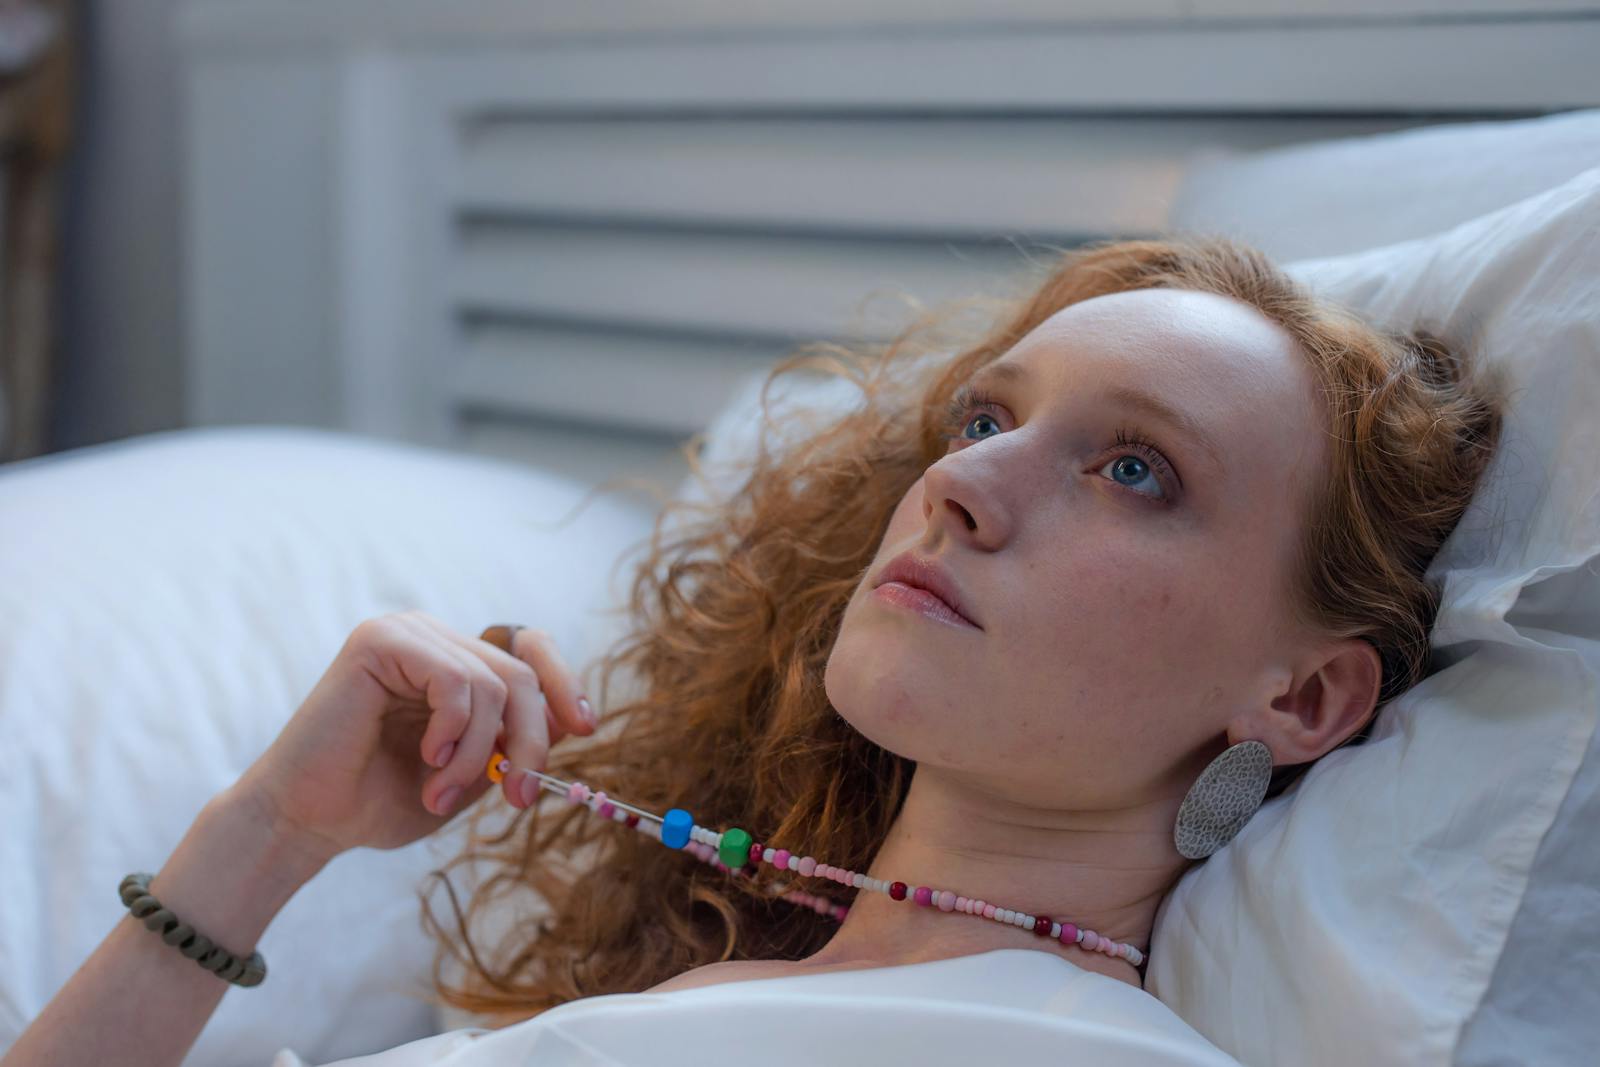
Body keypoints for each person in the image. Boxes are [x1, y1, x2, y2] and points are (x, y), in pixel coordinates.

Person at [0, 237, 1505, 1067]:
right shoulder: (737, 999)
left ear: (1302, 697)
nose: (965, 484)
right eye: (986, 421)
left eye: (1135, 471)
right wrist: (266, 833)